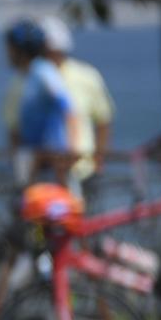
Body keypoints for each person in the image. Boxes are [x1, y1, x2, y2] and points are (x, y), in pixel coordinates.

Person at [41, 17, 115, 193]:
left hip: (82, 170)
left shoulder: (86, 76)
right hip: (45, 170)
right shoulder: (33, 78)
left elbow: (103, 120)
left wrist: (98, 161)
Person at [6, 19, 77, 185]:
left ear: (20, 50)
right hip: (37, 160)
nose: (7, 53)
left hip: (52, 162)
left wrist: (72, 149)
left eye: (10, 48)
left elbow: (68, 109)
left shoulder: (43, 72)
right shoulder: (28, 76)